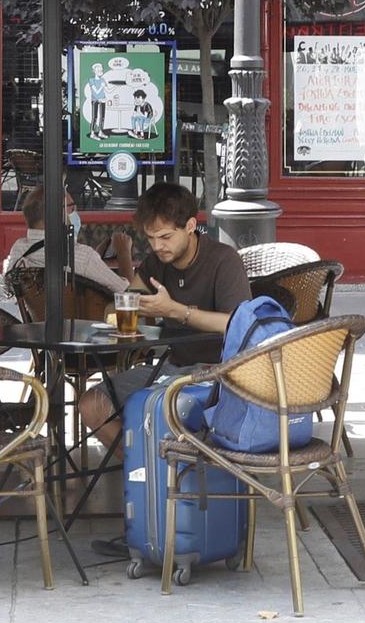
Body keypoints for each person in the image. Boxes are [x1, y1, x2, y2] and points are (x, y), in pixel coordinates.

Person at [77, 181, 248, 445]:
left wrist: (175, 311)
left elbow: (236, 324)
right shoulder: (157, 262)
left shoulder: (223, 261)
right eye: (151, 238)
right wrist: (126, 308)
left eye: (165, 237)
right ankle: (142, 471)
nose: (157, 246)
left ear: (190, 226)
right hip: (170, 366)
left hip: (216, 371)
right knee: (91, 405)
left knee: (152, 408)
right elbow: (124, 301)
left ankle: (163, 470)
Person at [1, 187, 132, 295]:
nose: (75, 212)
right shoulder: (83, 257)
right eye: (71, 207)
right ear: (56, 213)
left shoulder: (18, 249)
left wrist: (97, 257)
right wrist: (124, 252)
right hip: (84, 325)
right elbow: (128, 294)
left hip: (38, 324)